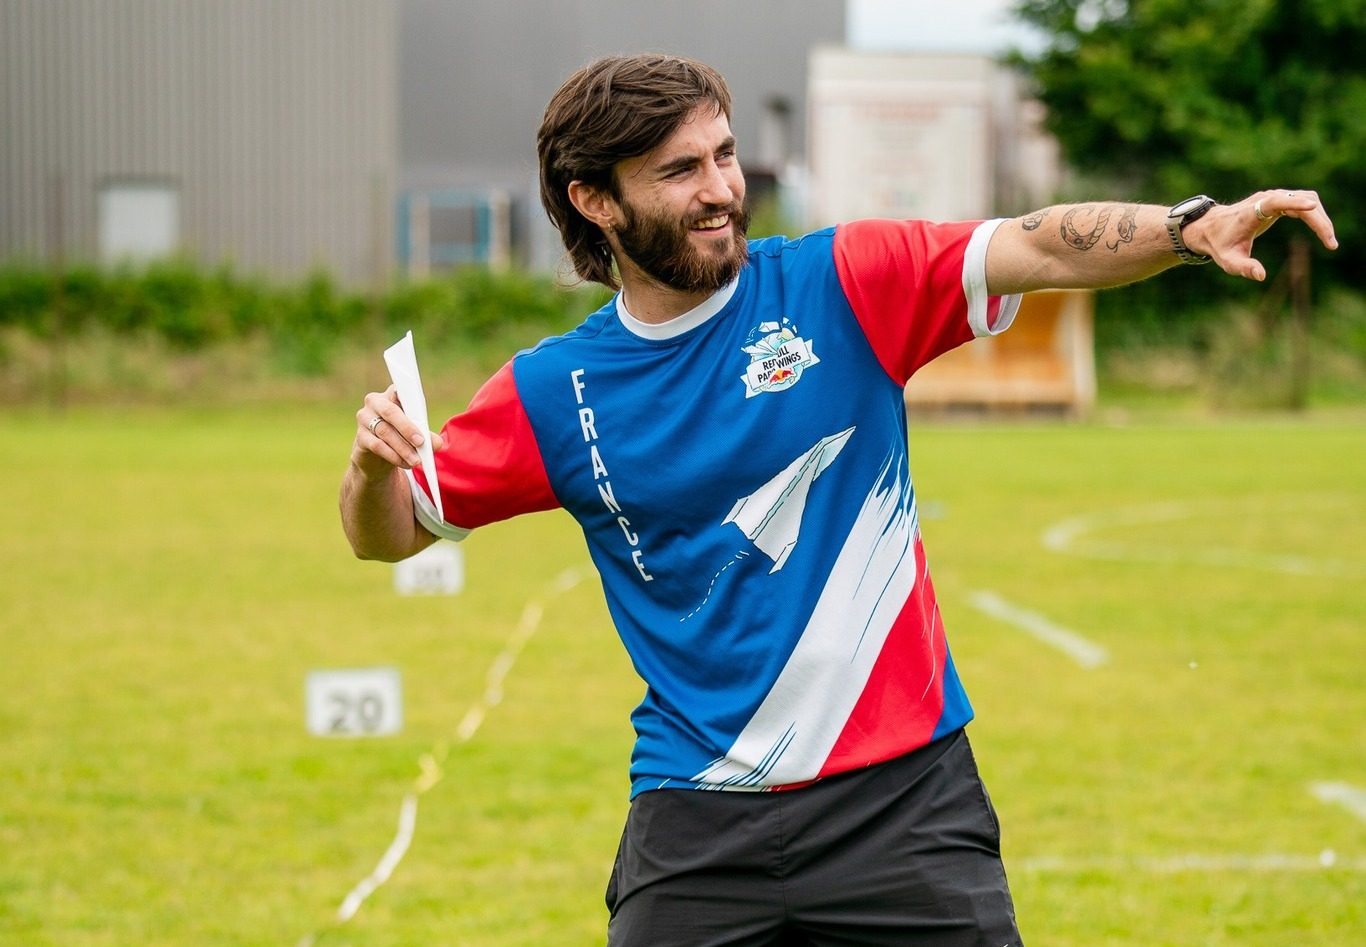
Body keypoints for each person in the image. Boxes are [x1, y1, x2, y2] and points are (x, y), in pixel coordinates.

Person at [340, 54, 1337, 946]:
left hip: (902, 804)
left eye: (724, 156)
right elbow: (389, 537)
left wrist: (1185, 226)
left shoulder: (840, 282)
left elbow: (1040, 243)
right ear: (594, 200)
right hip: (695, 820)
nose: (720, 188)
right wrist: (373, 470)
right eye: (679, 171)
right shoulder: (554, 391)